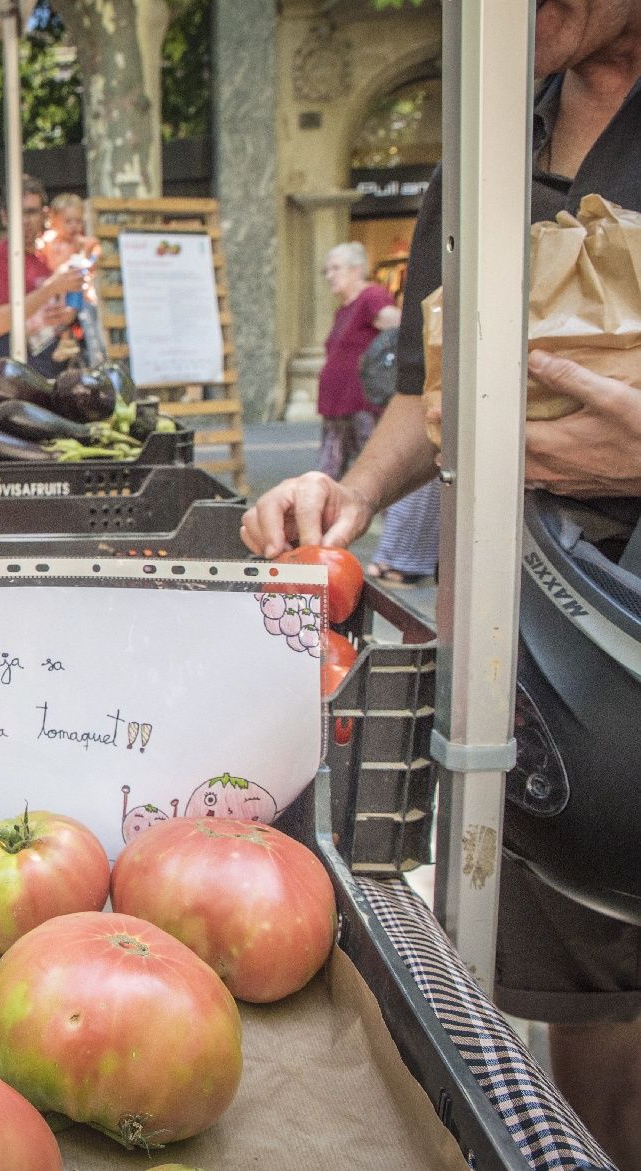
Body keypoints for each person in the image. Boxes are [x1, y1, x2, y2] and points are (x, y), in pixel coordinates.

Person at [242, 1, 641, 1161]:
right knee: (588, 1001)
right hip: (549, 685)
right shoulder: (484, 151)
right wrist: (353, 495)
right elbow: (431, 392)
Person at [0, 176, 84, 380]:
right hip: (17, 379)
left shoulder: (49, 256)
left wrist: (65, 314)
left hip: (56, 372)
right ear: (5, 217)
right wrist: (49, 290)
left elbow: (62, 314)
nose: (25, 220)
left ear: (44, 215)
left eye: (31, 212)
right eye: (18, 213)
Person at [315, 243, 400, 479]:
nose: (329, 275)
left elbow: (396, 324)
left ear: (356, 270)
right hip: (338, 403)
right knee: (329, 469)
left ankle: (392, 516)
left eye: (336, 268)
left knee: (373, 469)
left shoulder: (371, 296)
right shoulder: (345, 307)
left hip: (361, 403)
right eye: (327, 270)